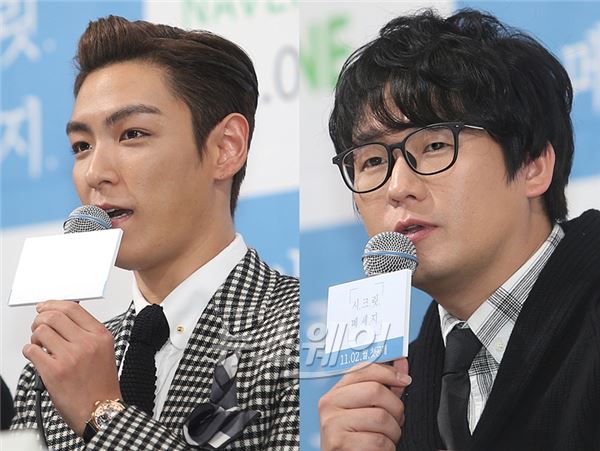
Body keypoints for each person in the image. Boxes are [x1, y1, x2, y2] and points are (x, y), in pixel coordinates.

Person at [10, 16, 298, 450]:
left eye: (132, 134)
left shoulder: (298, 333)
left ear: (226, 148)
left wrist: (103, 414)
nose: (94, 172)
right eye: (82, 146)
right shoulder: (52, 370)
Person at [319, 8, 600, 451]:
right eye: (372, 160)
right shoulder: (397, 390)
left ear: (532, 165)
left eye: (434, 145)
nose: (398, 188)